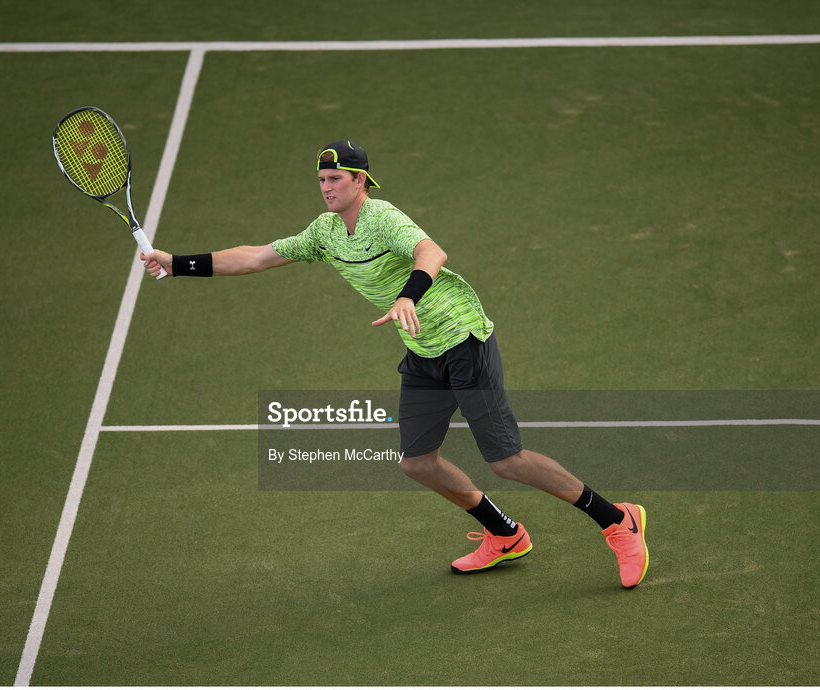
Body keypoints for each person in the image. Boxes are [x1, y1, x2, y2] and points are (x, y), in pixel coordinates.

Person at [142, 140, 649, 588]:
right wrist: (177, 262)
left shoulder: (382, 216)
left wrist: (409, 295)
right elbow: (256, 256)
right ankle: (506, 534)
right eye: (321, 180)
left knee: (506, 460)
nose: (326, 188)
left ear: (360, 181)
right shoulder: (324, 232)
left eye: (335, 179)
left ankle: (616, 519)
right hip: (424, 351)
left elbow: (431, 251)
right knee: (417, 461)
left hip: (462, 337)